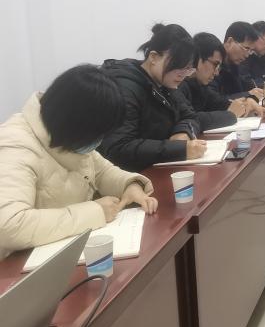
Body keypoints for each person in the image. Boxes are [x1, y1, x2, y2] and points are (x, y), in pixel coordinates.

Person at [0, 65, 158, 260]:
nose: (99, 141)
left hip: (64, 251)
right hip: (19, 265)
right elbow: (9, 225)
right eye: (98, 134)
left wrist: (129, 185)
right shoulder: (15, 146)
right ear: (76, 122)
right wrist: (95, 212)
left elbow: (101, 171)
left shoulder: (67, 137)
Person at [99, 23, 207, 172]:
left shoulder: (166, 82)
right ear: (154, 57)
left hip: (159, 167)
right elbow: (118, 148)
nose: (183, 75)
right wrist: (179, 150)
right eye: (178, 66)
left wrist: (182, 132)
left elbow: (190, 116)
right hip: (132, 175)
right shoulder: (125, 88)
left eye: (188, 69)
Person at [176, 32, 265, 131]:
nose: (216, 73)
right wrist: (230, 114)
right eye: (215, 64)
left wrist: (246, 102)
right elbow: (191, 118)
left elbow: (219, 102)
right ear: (198, 59)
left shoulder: (200, 85)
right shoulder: (179, 84)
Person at [209, 21, 264, 100]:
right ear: (230, 41)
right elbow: (214, 100)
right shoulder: (213, 63)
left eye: (251, 50)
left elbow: (241, 88)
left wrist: (256, 90)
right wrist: (248, 94)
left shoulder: (234, 64)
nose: (247, 55)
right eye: (246, 48)